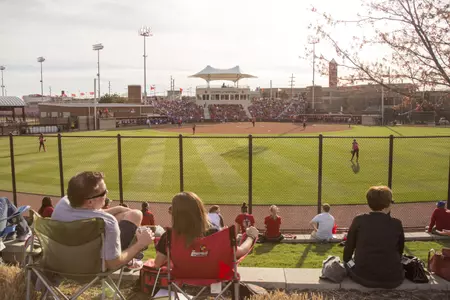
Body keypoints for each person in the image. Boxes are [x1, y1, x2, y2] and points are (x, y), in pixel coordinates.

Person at [52, 172, 154, 271]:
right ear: (90, 202)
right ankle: (130, 260)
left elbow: (90, 213)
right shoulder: (109, 223)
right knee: (136, 215)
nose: (107, 193)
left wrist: (118, 208)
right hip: (92, 268)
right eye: (104, 192)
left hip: (60, 263)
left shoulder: (62, 204)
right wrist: (140, 244)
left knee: (133, 214)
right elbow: (113, 264)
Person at [154, 192, 258, 268]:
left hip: (181, 279)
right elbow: (240, 252)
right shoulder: (216, 233)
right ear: (200, 209)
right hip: (213, 278)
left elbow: (157, 264)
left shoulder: (169, 236)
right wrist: (250, 237)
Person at [344, 186, 404, 289]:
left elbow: (348, 250)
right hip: (393, 278)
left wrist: (349, 262)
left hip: (362, 275)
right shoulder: (396, 223)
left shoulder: (359, 220)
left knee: (348, 264)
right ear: (388, 204)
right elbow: (400, 250)